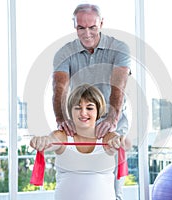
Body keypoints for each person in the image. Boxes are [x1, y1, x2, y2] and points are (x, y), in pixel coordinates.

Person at [52, 4, 131, 199]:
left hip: (112, 119)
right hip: (82, 121)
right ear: (75, 27)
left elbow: (118, 85)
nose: (87, 34)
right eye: (81, 28)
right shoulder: (64, 53)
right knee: (76, 177)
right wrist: (61, 118)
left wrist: (112, 119)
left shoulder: (119, 48)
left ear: (101, 24)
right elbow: (59, 87)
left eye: (92, 27)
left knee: (111, 184)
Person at [30, 84, 131, 200]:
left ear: (98, 111)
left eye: (89, 108)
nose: (83, 113)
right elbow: (47, 141)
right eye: (78, 108)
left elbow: (125, 143)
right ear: (71, 111)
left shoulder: (107, 138)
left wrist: (121, 141)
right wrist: (40, 141)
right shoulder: (62, 136)